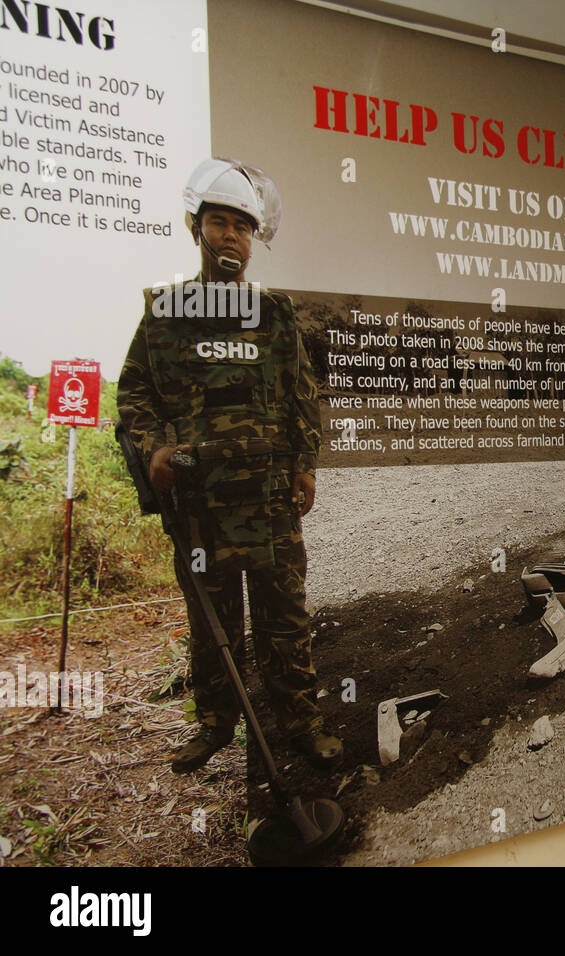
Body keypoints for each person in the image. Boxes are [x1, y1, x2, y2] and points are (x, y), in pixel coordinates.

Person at [117, 158, 342, 774]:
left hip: (269, 501)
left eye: (242, 227)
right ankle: (216, 724)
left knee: (285, 616)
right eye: (219, 223)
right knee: (212, 623)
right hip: (198, 506)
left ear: (252, 238)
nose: (231, 237)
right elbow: (133, 392)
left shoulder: (273, 314)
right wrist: (155, 448)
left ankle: (300, 720)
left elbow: (302, 393)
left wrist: (305, 466)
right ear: (198, 229)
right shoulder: (166, 312)